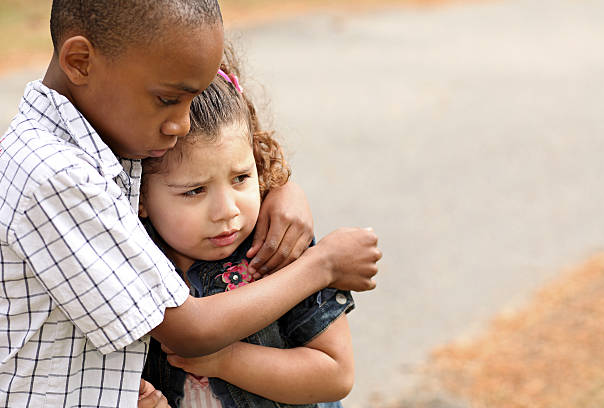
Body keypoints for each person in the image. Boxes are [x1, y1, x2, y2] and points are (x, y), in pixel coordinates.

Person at [0, 0, 381, 406]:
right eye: (167, 100)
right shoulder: (56, 175)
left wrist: (280, 188)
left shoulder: (103, 150)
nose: (181, 124)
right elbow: (189, 331)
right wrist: (323, 264)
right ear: (80, 61)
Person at [139, 54, 356, 408]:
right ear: (141, 195)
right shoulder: (131, 260)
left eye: (241, 178)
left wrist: (224, 360)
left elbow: (335, 373)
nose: (228, 211)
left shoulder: (279, 249)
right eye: (195, 191)